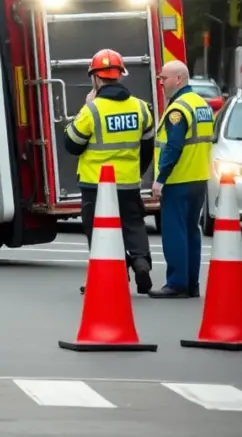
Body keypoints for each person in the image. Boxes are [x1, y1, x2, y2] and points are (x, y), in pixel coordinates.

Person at [64, 49, 155, 294]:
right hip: (128, 182)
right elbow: (147, 147)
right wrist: (138, 172)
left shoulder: (91, 110)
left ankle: (108, 275)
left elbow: (71, 145)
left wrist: (84, 107)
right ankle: (141, 261)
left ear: (95, 78)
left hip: (96, 185)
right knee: (133, 223)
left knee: (98, 229)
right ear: (120, 75)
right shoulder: (141, 107)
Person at [149, 60, 213, 298]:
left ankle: (176, 284)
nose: (161, 83)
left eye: (164, 78)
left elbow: (173, 147)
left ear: (178, 79)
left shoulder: (178, 109)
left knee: (175, 232)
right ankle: (191, 284)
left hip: (179, 179)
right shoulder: (202, 104)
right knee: (191, 231)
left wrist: (160, 179)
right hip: (198, 179)